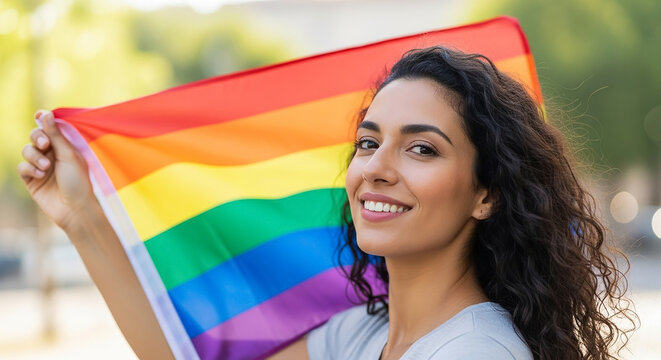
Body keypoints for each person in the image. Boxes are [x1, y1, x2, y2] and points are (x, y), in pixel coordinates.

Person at [19, 46, 636, 360]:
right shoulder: (363, 333)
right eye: (368, 142)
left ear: (486, 194)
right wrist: (81, 217)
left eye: (421, 150)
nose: (377, 169)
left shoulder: (473, 352)